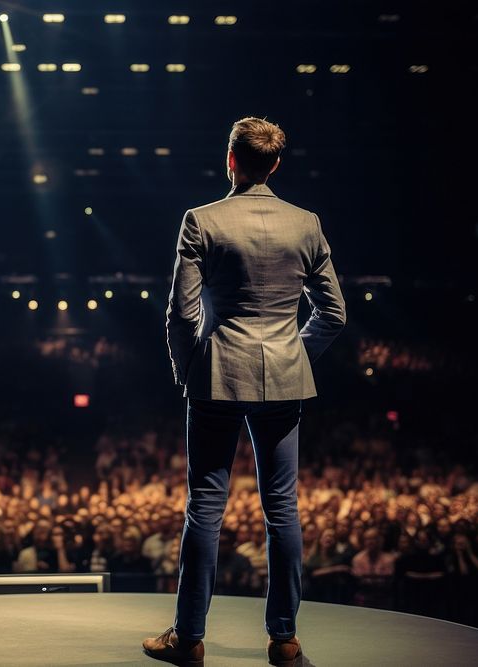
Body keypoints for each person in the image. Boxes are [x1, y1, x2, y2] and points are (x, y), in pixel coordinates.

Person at [143, 116, 346, 667]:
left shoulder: (201, 221)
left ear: (230, 159)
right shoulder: (306, 224)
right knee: (282, 509)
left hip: (218, 377)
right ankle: (284, 639)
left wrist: (190, 371)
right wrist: (292, 357)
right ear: (275, 164)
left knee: (205, 507)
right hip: (284, 380)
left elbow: (181, 314)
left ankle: (188, 639)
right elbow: (334, 314)